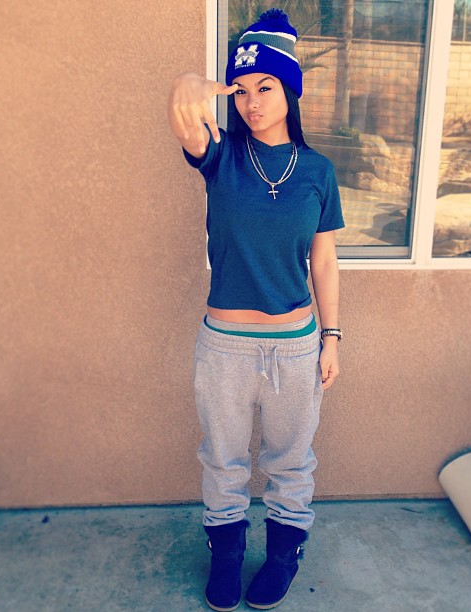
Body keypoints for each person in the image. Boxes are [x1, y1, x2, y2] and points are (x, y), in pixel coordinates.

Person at [168, 9, 344, 611]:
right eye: (240, 90)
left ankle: (284, 554)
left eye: (264, 87)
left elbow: (324, 261)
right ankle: (226, 554)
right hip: (225, 345)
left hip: (296, 345)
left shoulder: (317, 171)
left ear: (290, 91)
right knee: (223, 459)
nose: (250, 102)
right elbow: (187, 124)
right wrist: (186, 87)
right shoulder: (222, 157)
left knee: (291, 461)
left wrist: (333, 336)